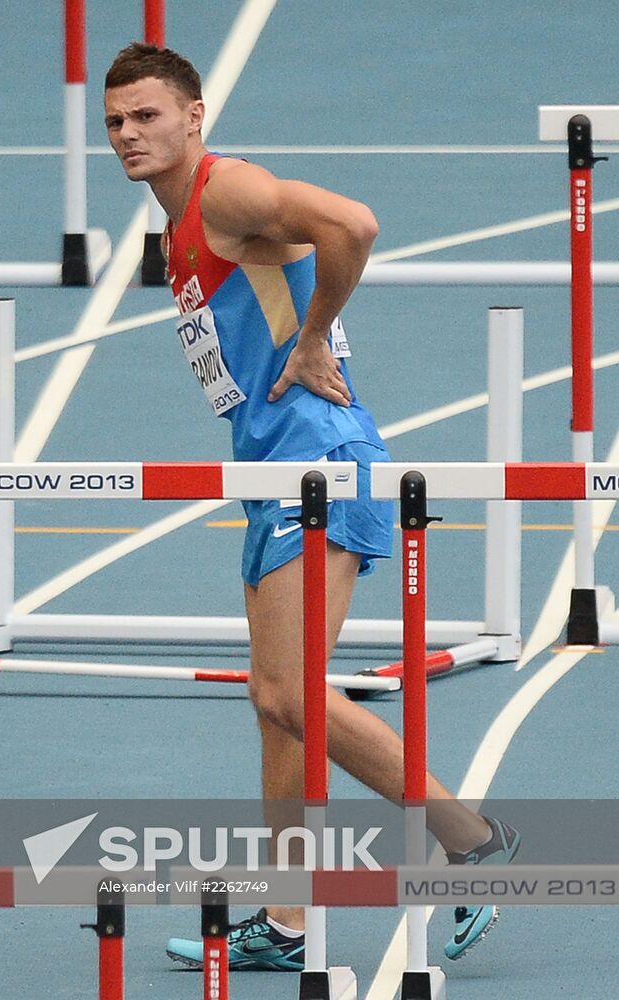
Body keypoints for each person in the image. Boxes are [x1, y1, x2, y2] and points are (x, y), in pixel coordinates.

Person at [103, 42, 519, 970]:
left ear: (194, 116)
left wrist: (317, 333)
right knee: (273, 705)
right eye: (115, 123)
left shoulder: (224, 191)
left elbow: (354, 225)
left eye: (146, 117)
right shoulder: (176, 226)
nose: (128, 135)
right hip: (271, 471)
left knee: (294, 693)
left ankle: (470, 841)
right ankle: (286, 924)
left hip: (319, 464)